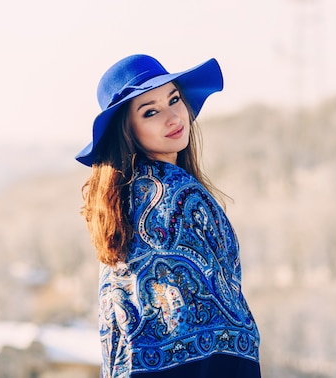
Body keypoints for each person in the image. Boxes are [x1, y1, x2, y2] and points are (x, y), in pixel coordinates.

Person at [75, 54, 261, 378]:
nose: (173, 116)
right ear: (127, 131)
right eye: (151, 112)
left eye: (174, 99)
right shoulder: (171, 201)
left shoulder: (127, 202)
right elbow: (208, 331)